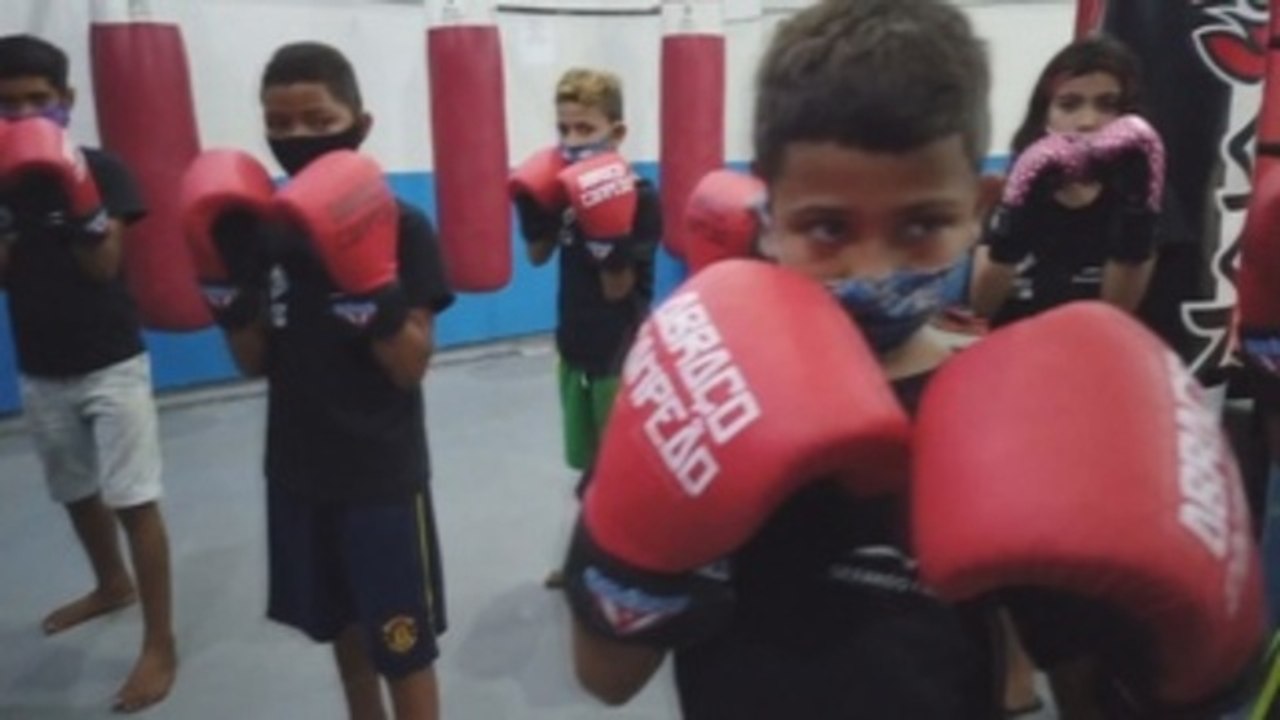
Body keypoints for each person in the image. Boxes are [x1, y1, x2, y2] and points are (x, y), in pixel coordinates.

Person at [557, 1, 1260, 718]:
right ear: (768, 217)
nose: (874, 269)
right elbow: (607, 674)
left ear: (977, 210)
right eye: (827, 227)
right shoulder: (696, 378)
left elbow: (1078, 688)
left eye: (922, 225)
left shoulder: (1007, 417)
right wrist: (650, 536)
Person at [179, 42, 453, 720]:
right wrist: (228, 299)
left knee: (402, 642)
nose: (295, 137)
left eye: (316, 119)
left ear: (360, 123)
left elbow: (411, 364)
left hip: (380, 478)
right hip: (297, 469)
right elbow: (254, 362)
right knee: (344, 627)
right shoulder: (264, 233)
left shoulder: (403, 226)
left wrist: (372, 293)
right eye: (279, 124)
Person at [0, 34, 176, 713]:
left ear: (66, 102)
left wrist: (73, 192)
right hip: (41, 365)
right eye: (7, 104)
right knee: (75, 491)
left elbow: (103, 266)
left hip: (112, 363)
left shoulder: (101, 168)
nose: (22, 115)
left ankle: (160, 643)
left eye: (37, 101)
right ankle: (111, 585)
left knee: (134, 499)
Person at [508, 67, 662, 497]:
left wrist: (605, 222)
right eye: (564, 128)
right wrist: (533, 209)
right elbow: (538, 257)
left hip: (618, 354)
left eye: (585, 128)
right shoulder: (564, 191)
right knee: (586, 470)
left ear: (616, 132)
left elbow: (617, 290)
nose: (572, 140)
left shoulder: (641, 197)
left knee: (619, 475)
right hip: (573, 345)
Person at [970, 36, 1162, 327]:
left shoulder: (1142, 191)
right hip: (1016, 352)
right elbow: (983, 304)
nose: (1087, 121)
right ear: (1045, 114)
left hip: (1097, 353)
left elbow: (1116, 313)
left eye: (1107, 105)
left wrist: (1135, 209)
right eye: (1069, 105)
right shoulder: (1014, 183)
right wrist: (1017, 211)